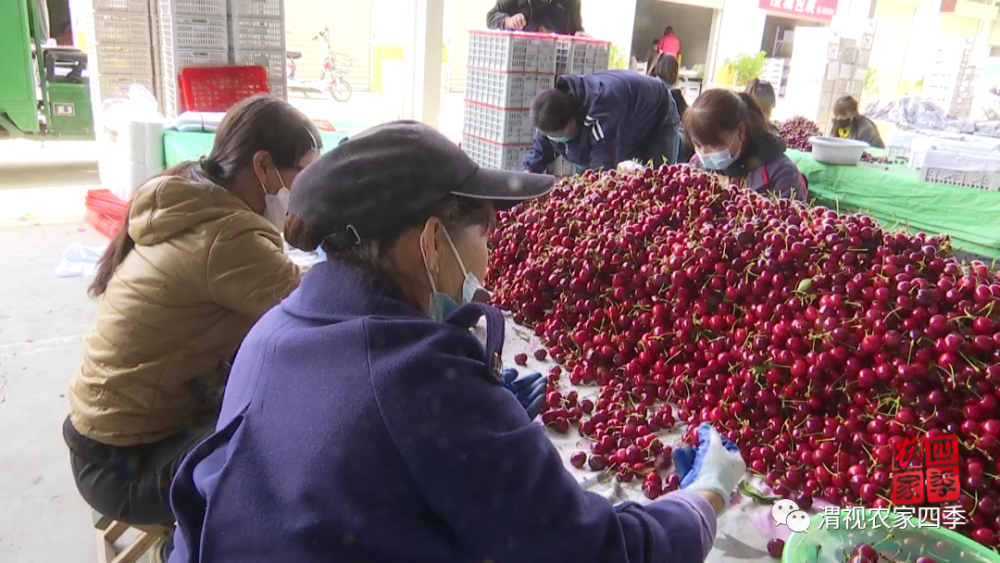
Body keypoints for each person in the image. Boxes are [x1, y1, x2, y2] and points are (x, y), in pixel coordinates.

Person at [167, 121, 745, 562]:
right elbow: (587, 550)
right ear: (432, 242)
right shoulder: (414, 374)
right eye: (486, 234)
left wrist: (468, 427)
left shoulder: (275, 329)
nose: (489, 258)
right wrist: (702, 501)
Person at [63, 96, 321, 542]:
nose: (305, 190)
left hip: (101, 441)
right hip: (127, 464)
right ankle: (186, 550)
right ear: (263, 167)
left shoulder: (191, 197)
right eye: (302, 173)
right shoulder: (225, 237)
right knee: (290, 457)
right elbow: (317, 306)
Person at [524, 71, 680, 174]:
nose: (555, 138)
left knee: (657, 179)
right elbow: (545, 140)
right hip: (628, 116)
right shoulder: (554, 109)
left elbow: (602, 167)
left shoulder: (602, 111)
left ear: (571, 123)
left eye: (559, 134)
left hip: (658, 111)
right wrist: (529, 171)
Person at [685, 88, 806, 201]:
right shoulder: (696, 166)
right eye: (698, 145)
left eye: (713, 145)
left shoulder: (781, 174)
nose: (704, 154)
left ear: (740, 132)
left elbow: (786, 219)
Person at [648, 52, 694, 163]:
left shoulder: (649, 87)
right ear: (674, 72)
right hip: (666, 145)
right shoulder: (673, 93)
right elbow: (689, 118)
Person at [486, 0, 586, 36]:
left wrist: (580, 35)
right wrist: (508, 21)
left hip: (556, 65)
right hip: (520, 60)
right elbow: (492, 16)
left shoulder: (571, 2)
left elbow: (576, 29)